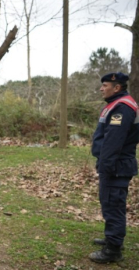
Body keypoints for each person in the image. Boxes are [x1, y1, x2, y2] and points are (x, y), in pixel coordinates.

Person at [89, 72, 139, 263]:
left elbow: (113, 142)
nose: (102, 88)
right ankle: (112, 238)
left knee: (113, 205)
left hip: (116, 166)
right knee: (110, 203)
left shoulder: (122, 108)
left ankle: (113, 250)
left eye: (105, 85)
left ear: (116, 87)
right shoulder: (118, 104)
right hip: (115, 164)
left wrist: (105, 167)